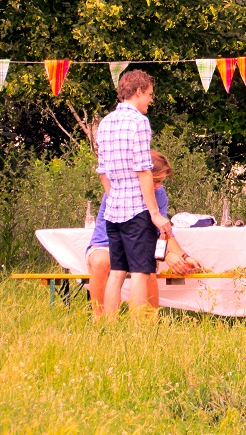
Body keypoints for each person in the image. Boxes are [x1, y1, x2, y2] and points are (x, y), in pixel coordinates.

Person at [86, 150, 203, 316]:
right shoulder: (121, 191)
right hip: (107, 243)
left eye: (161, 182)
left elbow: (162, 230)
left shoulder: (159, 194)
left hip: (139, 242)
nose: (158, 186)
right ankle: (100, 318)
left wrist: (184, 256)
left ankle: (148, 322)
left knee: (147, 269)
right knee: (101, 261)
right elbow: (134, 231)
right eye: (156, 181)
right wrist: (165, 254)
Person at [96, 69, 173, 317]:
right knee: (141, 270)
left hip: (113, 210)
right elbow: (143, 170)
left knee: (117, 270)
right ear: (138, 91)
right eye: (149, 94)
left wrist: (115, 195)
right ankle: (138, 329)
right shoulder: (139, 122)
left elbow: (102, 172)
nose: (151, 100)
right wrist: (154, 213)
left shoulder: (105, 122)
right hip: (136, 210)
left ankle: (107, 324)